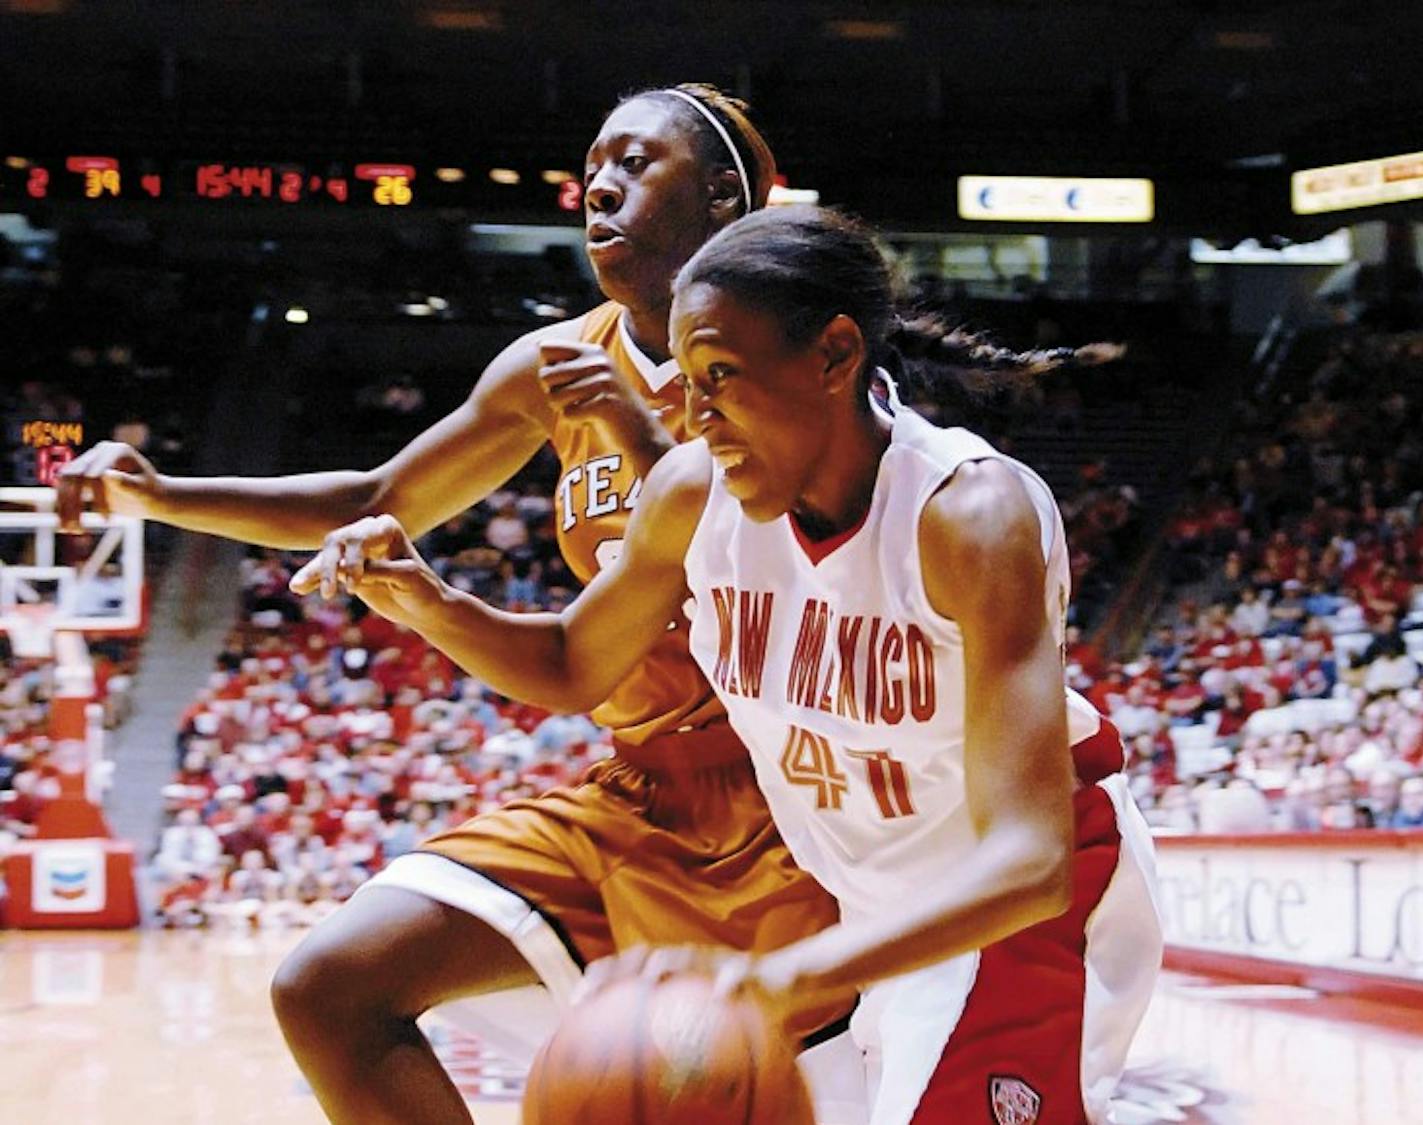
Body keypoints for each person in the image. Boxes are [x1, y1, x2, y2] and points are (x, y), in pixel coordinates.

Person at [56, 84, 845, 1124]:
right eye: (591, 163)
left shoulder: (798, 361)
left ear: (719, 203)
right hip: (639, 788)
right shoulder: (560, 362)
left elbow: (783, 560)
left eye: (637, 162)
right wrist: (160, 494)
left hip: (799, 797)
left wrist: (641, 438)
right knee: (329, 986)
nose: (597, 183)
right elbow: (379, 496)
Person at [294, 206, 1161, 1124]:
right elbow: (572, 661)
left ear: (834, 354)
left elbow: (1031, 862)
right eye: (682, 380)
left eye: (718, 378)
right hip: (875, 911)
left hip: (1018, 917)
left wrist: (776, 979)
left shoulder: (967, 515)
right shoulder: (693, 491)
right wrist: (425, 598)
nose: (688, 414)